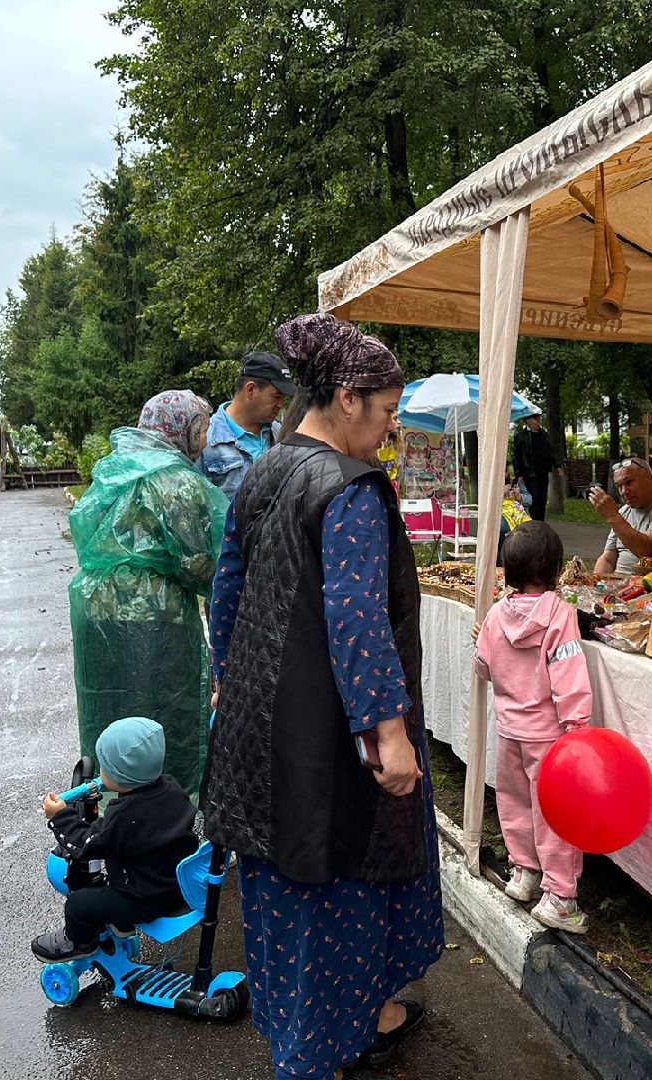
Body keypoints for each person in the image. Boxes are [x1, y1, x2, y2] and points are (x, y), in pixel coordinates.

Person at [204, 313, 442, 1080]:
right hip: (324, 739)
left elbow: (228, 589)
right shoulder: (350, 487)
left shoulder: (268, 468)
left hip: (260, 727)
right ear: (348, 399)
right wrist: (390, 733)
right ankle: (316, 1056)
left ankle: (360, 1021)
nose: (391, 429)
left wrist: (226, 680)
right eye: (388, 412)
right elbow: (356, 616)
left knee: (279, 897)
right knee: (334, 894)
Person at [68, 390, 227, 800]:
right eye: (203, 429)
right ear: (183, 431)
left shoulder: (112, 468)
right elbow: (196, 560)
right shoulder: (177, 481)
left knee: (110, 707)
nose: (206, 440)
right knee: (162, 711)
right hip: (155, 617)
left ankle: (107, 796)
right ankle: (166, 806)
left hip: (94, 611)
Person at [472, 522, 593, 933]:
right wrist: (577, 726)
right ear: (557, 570)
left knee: (515, 802)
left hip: (510, 732)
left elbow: (484, 667)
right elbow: (569, 672)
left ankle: (524, 872)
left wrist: (480, 641)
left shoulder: (494, 614)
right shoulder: (560, 615)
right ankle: (559, 895)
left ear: (507, 571)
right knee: (555, 811)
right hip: (550, 736)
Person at [31, 716, 199, 962]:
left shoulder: (125, 817)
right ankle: (122, 924)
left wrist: (60, 817)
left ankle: (79, 943)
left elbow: (86, 845)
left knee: (79, 904)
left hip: (147, 898)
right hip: (177, 885)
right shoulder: (171, 788)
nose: (101, 772)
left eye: (105, 768)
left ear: (121, 776)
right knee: (119, 874)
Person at [199, 350, 298, 503]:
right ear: (251, 390)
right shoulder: (206, 440)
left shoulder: (279, 433)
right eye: (276, 397)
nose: (280, 405)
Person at [590, 457, 652, 575]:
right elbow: (607, 559)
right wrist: (596, 586)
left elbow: (647, 551)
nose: (624, 491)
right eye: (619, 486)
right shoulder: (623, 512)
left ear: (648, 477)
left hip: (648, 588)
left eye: (629, 482)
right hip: (616, 586)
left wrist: (612, 516)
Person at [512, 412, 559, 522]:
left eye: (539, 419)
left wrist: (557, 465)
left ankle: (541, 522)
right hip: (529, 474)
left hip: (543, 472)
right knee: (534, 499)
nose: (539, 421)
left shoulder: (544, 434)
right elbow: (516, 456)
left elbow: (551, 451)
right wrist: (518, 473)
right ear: (528, 421)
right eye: (536, 419)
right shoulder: (521, 436)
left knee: (542, 499)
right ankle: (534, 522)